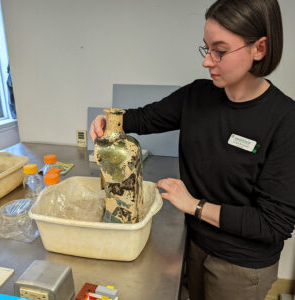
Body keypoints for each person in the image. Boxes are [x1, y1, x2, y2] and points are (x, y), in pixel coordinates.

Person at [89, 0, 295, 299]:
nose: (207, 61)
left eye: (220, 51)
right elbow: (143, 117)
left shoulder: (285, 120)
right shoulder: (198, 95)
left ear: (259, 48)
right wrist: (109, 120)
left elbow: (272, 224)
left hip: (241, 266)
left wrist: (195, 205)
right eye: (206, 48)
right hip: (195, 243)